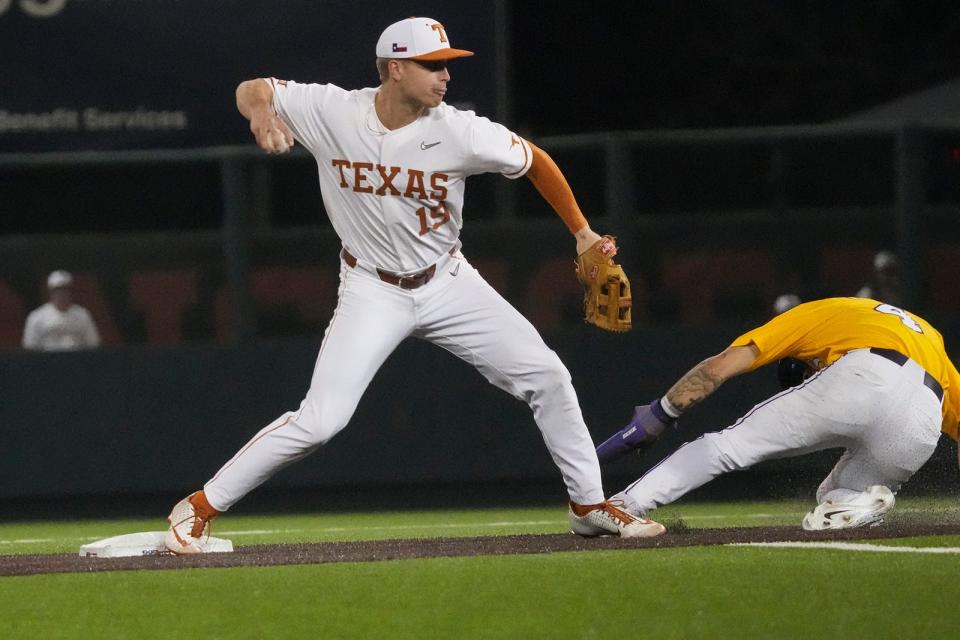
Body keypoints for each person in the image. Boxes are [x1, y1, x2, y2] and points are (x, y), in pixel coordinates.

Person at [164, 17, 663, 553]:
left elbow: (534, 161)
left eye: (448, 65)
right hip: (370, 288)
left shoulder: (460, 130)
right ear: (395, 69)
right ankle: (196, 509)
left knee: (548, 376)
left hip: (448, 282)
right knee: (322, 420)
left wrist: (583, 233)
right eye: (433, 65)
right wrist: (262, 113)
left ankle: (588, 505)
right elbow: (253, 88)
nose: (445, 76)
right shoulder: (334, 111)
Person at [596, 297, 959, 532]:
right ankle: (861, 502)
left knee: (727, 447)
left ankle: (625, 504)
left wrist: (660, 414)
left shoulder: (811, 316)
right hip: (926, 414)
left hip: (863, 373)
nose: (807, 380)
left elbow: (720, 367)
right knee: (836, 497)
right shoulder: (926, 336)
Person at [22, 270, 101, 351]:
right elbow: (30, 346)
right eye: (58, 290)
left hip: (77, 360)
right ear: (50, 292)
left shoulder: (83, 315)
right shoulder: (36, 316)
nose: (62, 294)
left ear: (70, 292)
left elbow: (93, 343)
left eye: (65, 290)